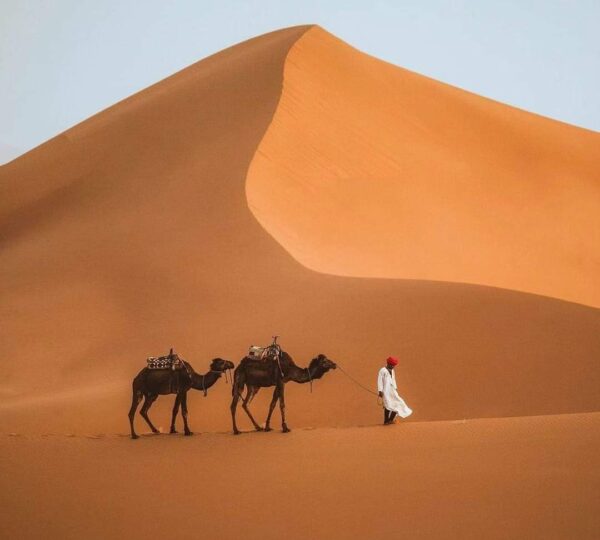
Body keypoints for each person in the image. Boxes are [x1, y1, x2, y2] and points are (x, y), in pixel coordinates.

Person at [377, 356, 412, 425]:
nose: (393, 366)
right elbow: (379, 381)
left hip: (392, 391)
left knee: (398, 403)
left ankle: (390, 419)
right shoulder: (382, 370)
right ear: (388, 364)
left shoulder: (392, 370)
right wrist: (380, 391)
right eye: (392, 365)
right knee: (388, 405)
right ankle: (386, 421)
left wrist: (395, 388)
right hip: (385, 391)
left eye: (394, 365)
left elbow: (393, 379)